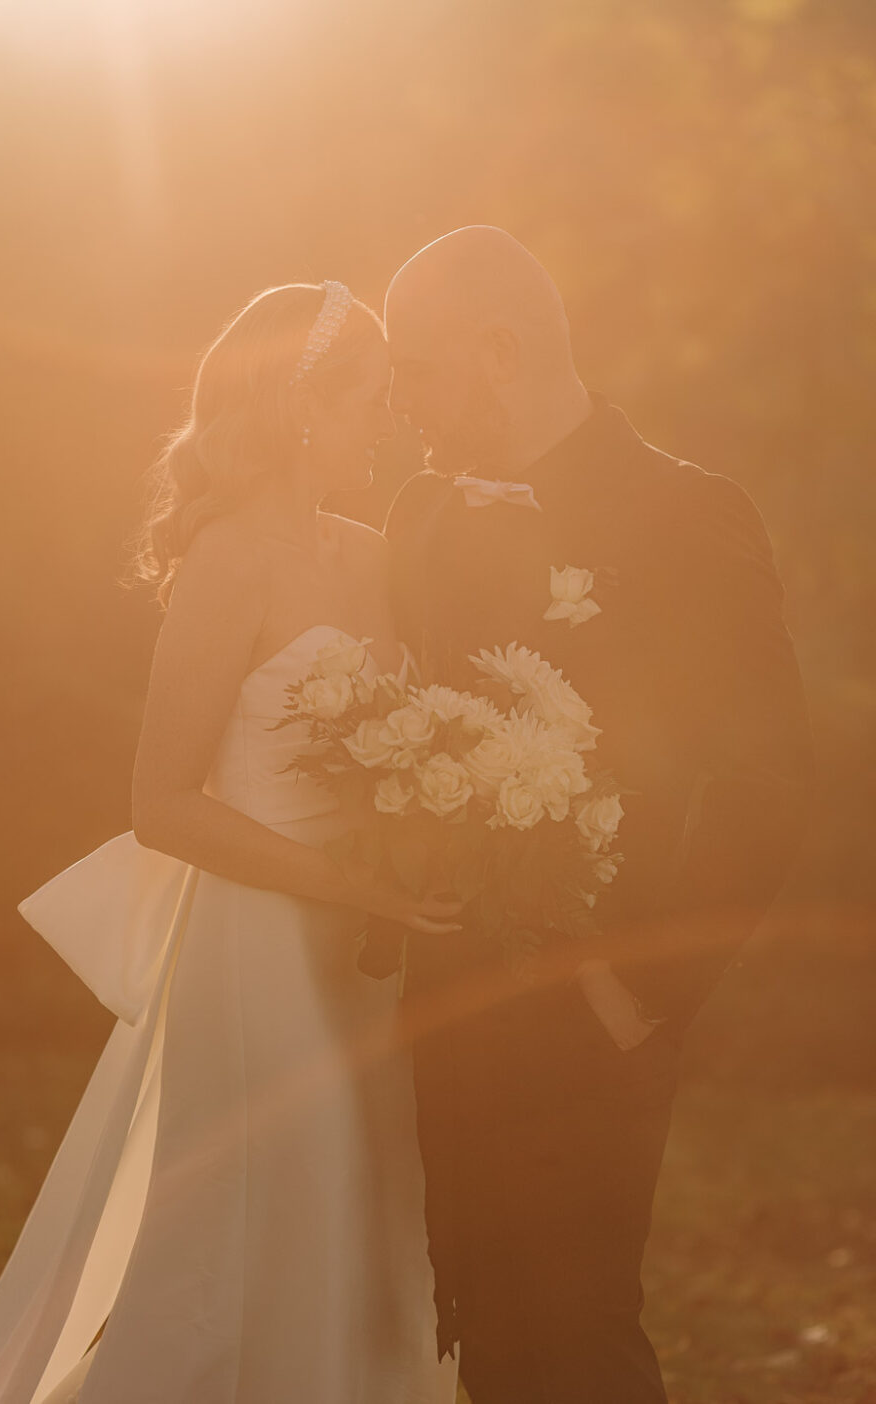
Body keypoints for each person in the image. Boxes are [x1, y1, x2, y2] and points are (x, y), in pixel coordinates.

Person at [0, 282, 460, 1404]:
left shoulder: (376, 555)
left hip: (377, 949)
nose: (389, 422)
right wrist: (344, 881)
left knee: (374, 1218)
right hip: (261, 944)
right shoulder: (228, 562)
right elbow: (162, 804)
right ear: (301, 407)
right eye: (370, 398)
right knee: (270, 1213)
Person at [372, 226, 814, 1403]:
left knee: (572, 1339)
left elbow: (770, 786)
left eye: (414, 365)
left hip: (591, 1010)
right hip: (431, 995)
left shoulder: (686, 512)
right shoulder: (420, 514)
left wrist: (636, 992)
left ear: (498, 351)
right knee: (472, 1331)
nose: (396, 396)